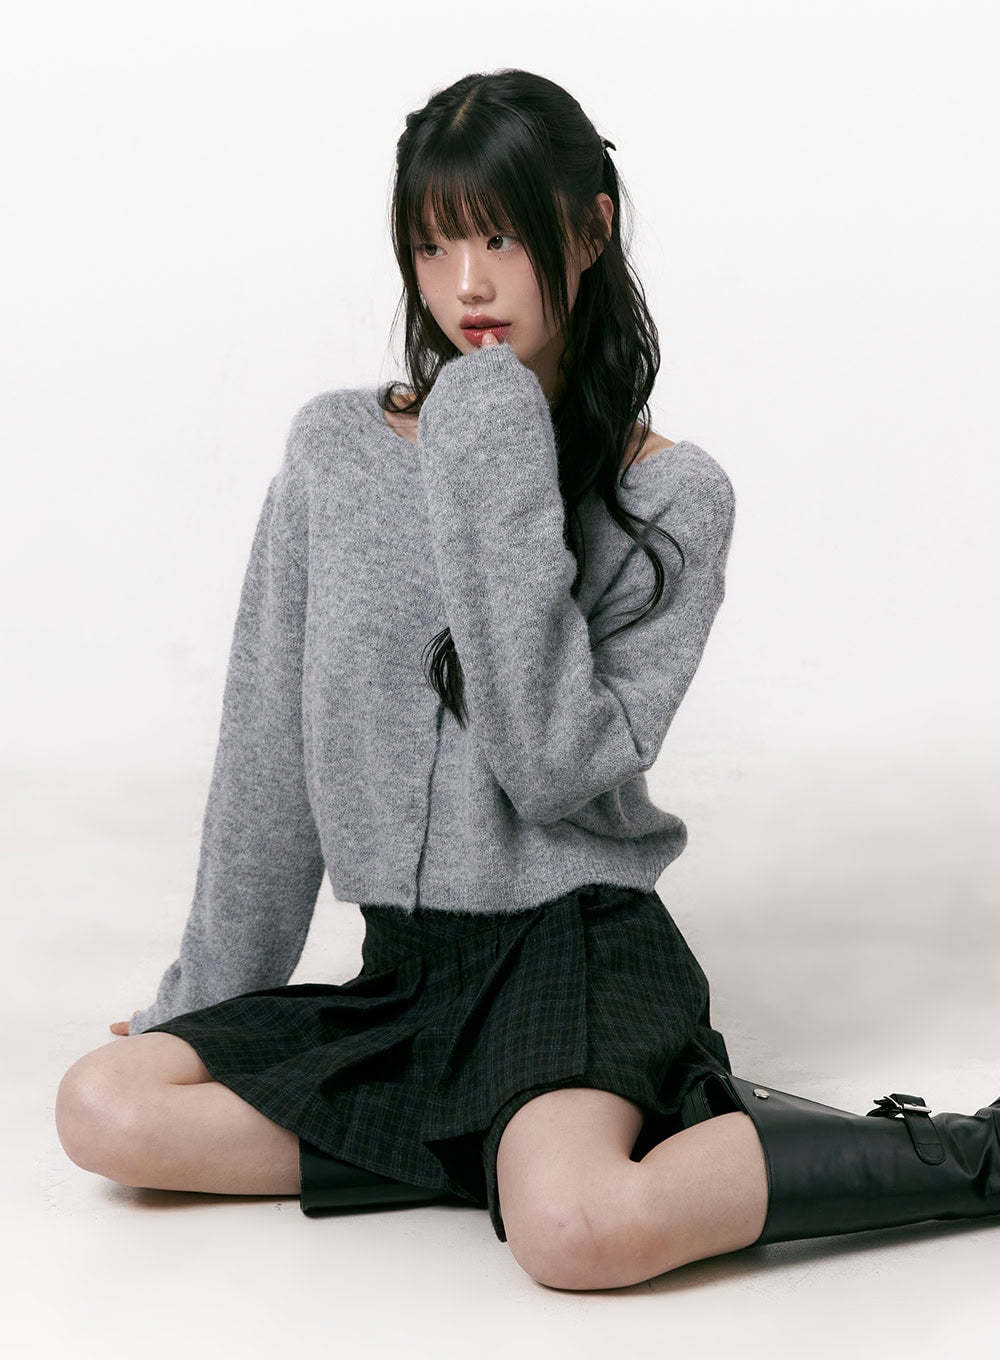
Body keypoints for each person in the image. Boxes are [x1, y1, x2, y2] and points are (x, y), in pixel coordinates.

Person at [55, 69, 1000, 1293]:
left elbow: (553, 765)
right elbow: (267, 757)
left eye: (500, 238)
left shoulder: (672, 498)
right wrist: (207, 996)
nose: (466, 286)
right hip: (408, 973)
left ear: (588, 230)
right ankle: (495, 1148)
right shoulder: (335, 450)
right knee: (106, 1109)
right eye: (432, 245)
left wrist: (489, 438)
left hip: (575, 952)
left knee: (579, 1233)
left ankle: (965, 1156)